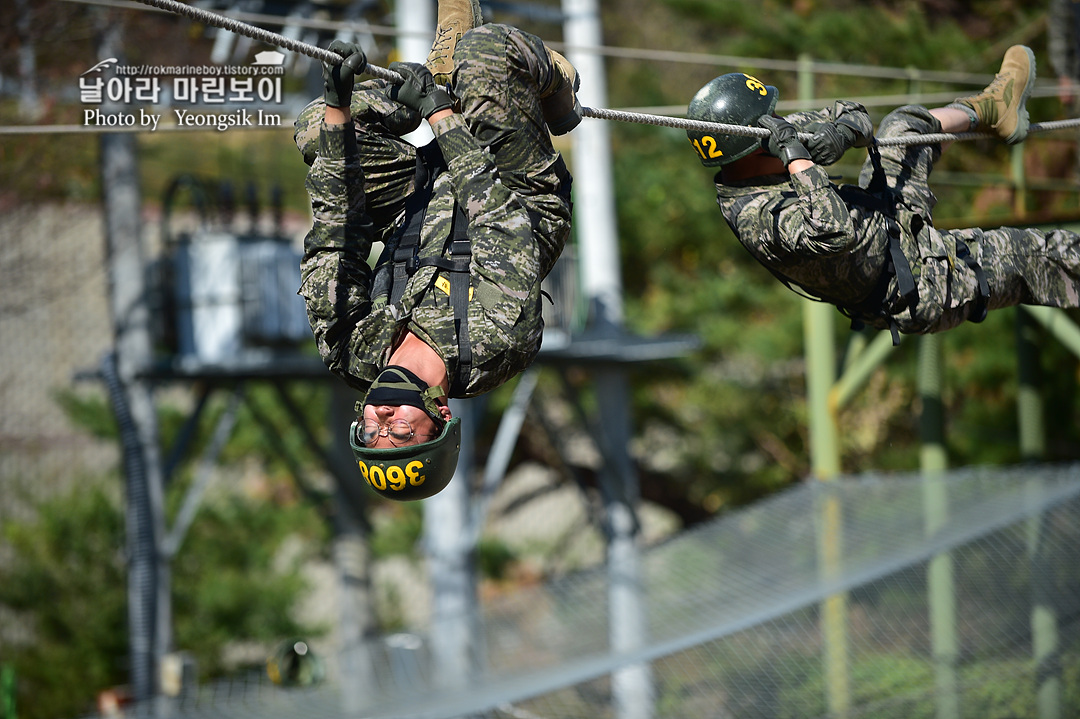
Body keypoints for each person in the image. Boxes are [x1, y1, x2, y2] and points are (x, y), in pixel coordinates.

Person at [293, 1, 580, 500]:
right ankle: (549, 80)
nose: (382, 420)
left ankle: (432, 82)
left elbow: (336, 234)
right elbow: (499, 219)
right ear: (440, 415)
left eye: (371, 434)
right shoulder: (495, 347)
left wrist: (342, 104)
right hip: (512, 191)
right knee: (485, 54)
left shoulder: (351, 352)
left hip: (416, 196)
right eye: (401, 434)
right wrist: (442, 117)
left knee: (317, 125)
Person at [686, 45, 1080, 342]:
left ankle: (994, 107)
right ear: (754, 145)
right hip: (917, 282)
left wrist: (840, 133)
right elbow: (835, 231)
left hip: (889, 221)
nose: (780, 121)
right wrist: (798, 161)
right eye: (770, 120)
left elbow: (854, 113)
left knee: (902, 127)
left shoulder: (768, 139)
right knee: (1037, 253)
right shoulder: (757, 218)